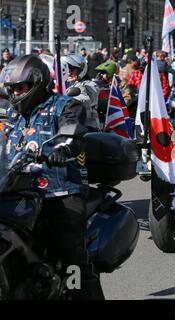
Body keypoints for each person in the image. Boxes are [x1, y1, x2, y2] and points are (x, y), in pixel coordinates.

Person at [0, 54, 104, 299]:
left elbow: (72, 135)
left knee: (73, 259)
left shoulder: (65, 105)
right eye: (11, 89)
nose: (16, 93)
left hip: (59, 190)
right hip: (17, 189)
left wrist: (62, 149)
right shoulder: (13, 115)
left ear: (37, 82)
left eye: (21, 88)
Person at [62, 54, 100, 131]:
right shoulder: (63, 84)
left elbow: (86, 99)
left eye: (72, 70)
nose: (68, 73)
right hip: (67, 124)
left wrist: (67, 99)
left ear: (81, 70)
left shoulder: (90, 85)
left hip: (87, 127)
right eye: (66, 70)